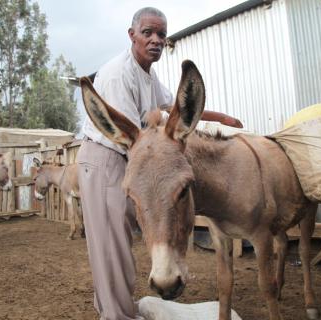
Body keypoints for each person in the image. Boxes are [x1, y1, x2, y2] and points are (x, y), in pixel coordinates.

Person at [77, 7, 242, 320]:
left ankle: (117, 309)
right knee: (111, 245)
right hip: (105, 158)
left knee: (124, 238)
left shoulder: (148, 75)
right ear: (132, 35)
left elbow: (173, 106)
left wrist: (221, 117)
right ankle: (116, 316)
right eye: (147, 33)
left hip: (125, 157)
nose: (155, 40)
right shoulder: (118, 75)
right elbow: (134, 142)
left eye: (161, 35)